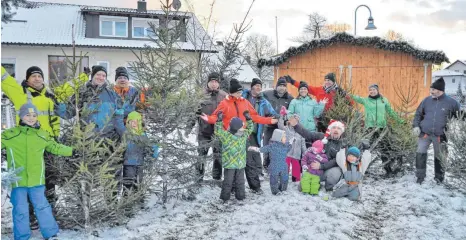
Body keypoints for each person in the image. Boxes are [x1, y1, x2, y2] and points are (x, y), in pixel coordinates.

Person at [1, 102, 73, 240]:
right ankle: (22, 236)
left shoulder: (42, 135)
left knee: (42, 207)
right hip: (17, 181)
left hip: (37, 180)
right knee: (20, 209)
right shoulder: (10, 135)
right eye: (27, 115)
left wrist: (72, 151)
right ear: (21, 117)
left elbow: (55, 147)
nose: (31, 118)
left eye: (34, 115)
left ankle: (50, 234)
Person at [1, 66, 62, 226]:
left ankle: (49, 213)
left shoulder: (50, 95)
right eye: (33, 76)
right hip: (26, 146)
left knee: (49, 180)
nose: (36, 78)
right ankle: (30, 217)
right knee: (27, 181)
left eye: (39, 76)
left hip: (46, 145)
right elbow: (5, 78)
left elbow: (68, 88)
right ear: (27, 79)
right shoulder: (19, 92)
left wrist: (84, 76)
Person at [200, 78, 278, 194]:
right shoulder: (224, 103)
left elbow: (254, 116)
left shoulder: (245, 102)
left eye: (241, 92)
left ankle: (255, 186)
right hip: (229, 139)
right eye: (237, 92)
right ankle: (231, 188)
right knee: (231, 165)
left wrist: (268, 121)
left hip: (243, 138)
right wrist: (209, 119)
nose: (240, 94)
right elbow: (216, 117)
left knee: (249, 162)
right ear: (232, 92)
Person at [55, 65, 126, 141]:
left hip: (108, 141)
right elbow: (67, 113)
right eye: (98, 74)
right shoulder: (82, 94)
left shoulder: (112, 95)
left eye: (104, 76)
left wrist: (124, 136)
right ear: (92, 76)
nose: (101, 78)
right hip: (86, 140)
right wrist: (56, 104)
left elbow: (119, 118)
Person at [412, 77, 460, 184]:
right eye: (431, 90)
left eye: (433, 90)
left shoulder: (452, 103)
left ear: (440, 90)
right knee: (420, 153)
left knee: (440, 156)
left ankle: (439, 178)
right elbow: (418, 114)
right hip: (425, 134)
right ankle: (420, 176)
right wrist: (416, 126)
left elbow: (460, 117)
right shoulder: (426, 100)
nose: (431, 92)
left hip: (441, 135)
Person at [350, 84, 404, 175]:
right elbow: (355, 97)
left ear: (377, 90)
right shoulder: (365, 100)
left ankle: (388, 169)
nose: (372, 91)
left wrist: (400, 121)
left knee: (384, 149)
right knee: (366, 149)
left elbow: (390, 112)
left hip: (381, 128)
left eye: (374, 89)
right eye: (370, 90)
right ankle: (362, 169)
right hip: (369, 128)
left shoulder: (383, 100)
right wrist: (343, 92)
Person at [187, 72, 227, 182]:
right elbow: (194, 113)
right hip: (204, 132)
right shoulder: (201, 95)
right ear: (208, 83)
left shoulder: (224, 96)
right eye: (211, 82)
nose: (214, 84)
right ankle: (198, 178)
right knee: (201, 156)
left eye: (216, 82)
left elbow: (229, 114)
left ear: (218, 83)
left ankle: (217, 178)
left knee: (218, 156)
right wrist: (188, 127)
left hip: (219, 133)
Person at [288, 117, 345, 192]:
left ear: (342, 132)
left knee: (336, 172)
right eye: (334, 127)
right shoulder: (321, 137)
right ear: (330, 129)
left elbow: (336, 161)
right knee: (301, 188)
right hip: (314, 168)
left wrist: (321, 166)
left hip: (328, 169)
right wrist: (296, 125)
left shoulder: (343, 145)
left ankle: (329, 187)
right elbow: (308, 134)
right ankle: (316, 182)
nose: (336, 130)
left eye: (339, 128)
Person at [285, 73, 349, 132]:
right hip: (320, 118)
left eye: (329, 80)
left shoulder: (338, 92)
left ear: (333, 81)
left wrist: (345, 96)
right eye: (326, 80)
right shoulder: (319, 90)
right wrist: (293, 82)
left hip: (332, 117)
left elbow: (349, 102)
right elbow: (306, 88)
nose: (327, 82)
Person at [242, 78, 277, 178]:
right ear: (252, 86)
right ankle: (242, 172)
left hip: (255, 130)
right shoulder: (243, 97)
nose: (258, 88)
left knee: (256, 151)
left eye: (260, 86)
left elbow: (272, 112)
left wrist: (277, 116)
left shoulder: (263, 100)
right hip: (242, 129)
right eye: (257, 85)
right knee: (243, 152)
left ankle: (258, 172)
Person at [215, 111, 254, 202]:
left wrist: (248, 119)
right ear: (235, 128)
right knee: (228, 182)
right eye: (241, 126)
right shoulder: (226, 136)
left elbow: (250, 128)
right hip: (229, 165)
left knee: (240, 182)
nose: (243, 127)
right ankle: (224, 198)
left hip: (240, 164)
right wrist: (219, 120)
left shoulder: (243, 135)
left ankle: (240, 197)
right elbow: (218, 131)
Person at [121, 111, 159, 196]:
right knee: (128, 184)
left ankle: (138, 201)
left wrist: (153, 149)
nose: (134, 124)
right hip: (128, 164)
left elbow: (147, 146)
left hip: (140, 164)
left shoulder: (143, 134)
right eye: (131, 121)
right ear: (128, 122)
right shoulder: (126, 133)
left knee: (138, 183)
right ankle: (126, 204)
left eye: (136, 121)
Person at [262, 77, 294, 171]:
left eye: (284, 86)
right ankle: (266, 164)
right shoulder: (268, 94)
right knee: (267, 145)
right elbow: (258, 96)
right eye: (280, 85)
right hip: (269, 125)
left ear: (286, 87)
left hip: (281, 127)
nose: (282, 88)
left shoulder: (290, 98)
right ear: (276, 86)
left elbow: (292, 110)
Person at [249, 129, 291, 195]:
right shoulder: (272, 146)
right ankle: (275, 191)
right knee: (274, 179)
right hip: (275, 166)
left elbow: (288, 148)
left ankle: (283, 189)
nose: (286, 138)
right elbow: (262, 149)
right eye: (284, 137)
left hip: (284, 166)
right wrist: (254, 148)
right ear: (279, 138)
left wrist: (291, 143)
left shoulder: (285, 145)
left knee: (284, 178)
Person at [277, 106, 306, 182]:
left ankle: (295, 179)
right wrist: (282, 116)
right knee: (285, 166)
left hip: (296, 154)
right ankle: (283, 178)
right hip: (287, 153)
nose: (294, 122)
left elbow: (303, 144)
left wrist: (305, 153)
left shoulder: (301, 132)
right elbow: (280, 125)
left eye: (296, 120)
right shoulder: (286, 129)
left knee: (296, 169)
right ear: (289, 121)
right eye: (293, 120)